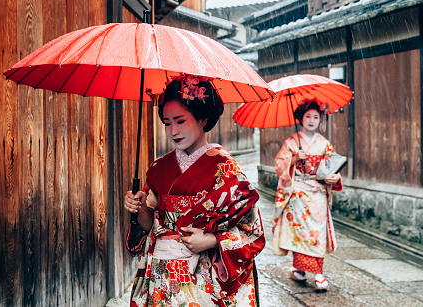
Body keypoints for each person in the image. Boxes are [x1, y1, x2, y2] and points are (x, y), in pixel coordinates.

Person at [124, 74, 265, 307]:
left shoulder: (226, 169)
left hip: (204, 273)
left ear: (202, 118)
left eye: (180, 121)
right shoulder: (159, 168)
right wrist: (139, 208)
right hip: (163, 272)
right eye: (167, 123)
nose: (173, 131)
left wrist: (211, 240)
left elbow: (253, 231)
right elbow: (150, 227)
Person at [272, 99, 342, 291]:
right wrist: (293, 159)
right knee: (299, 233)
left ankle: (318, 273)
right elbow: (279, 165)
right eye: (308, 116)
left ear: (321, 120)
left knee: (317, 232)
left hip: (318, 192)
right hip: (298, 193)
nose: (312, 120)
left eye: (316, 117)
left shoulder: (325, 144)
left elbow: (332, 168)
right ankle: (300, 269)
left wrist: (332, 178)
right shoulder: (292, 142)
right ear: (301, 119)